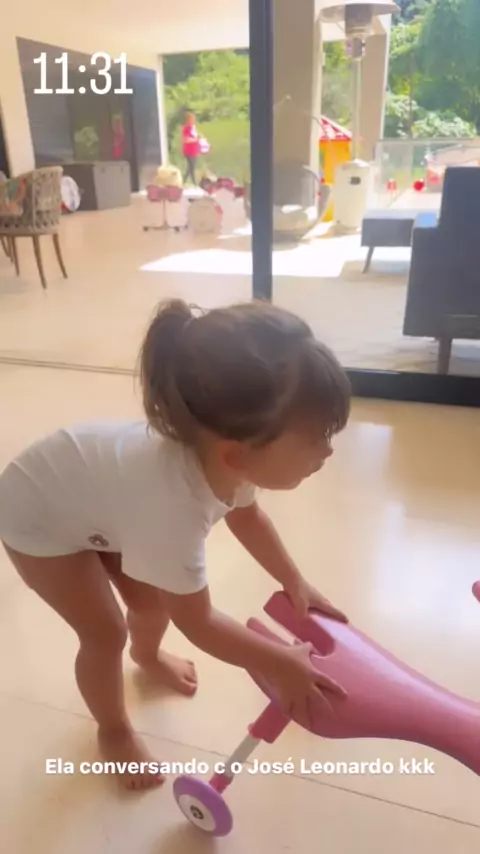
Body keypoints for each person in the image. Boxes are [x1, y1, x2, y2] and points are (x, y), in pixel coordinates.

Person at [0, 299, 351, 791]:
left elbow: (248, 517)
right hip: (39, 517)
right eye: (315, 438)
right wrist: (278, 661)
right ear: (237, 453)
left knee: (149, 602)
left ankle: (146, 657)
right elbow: (199, 622)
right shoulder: (172, 511)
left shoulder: (228, 462)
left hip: (101, 502)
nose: (328, 451)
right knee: (104, 633)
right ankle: (113, 731)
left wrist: (293, 579)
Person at [181, 112, 200, 185]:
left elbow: (195, 136)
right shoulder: (187, 128)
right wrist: (195, 139)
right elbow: (186, 139)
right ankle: (194, 182)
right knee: (191, 166)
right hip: (189, 150)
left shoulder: (193, 127)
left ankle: (184, 181)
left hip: (194, 150)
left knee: (191, 167)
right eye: (192, 119)